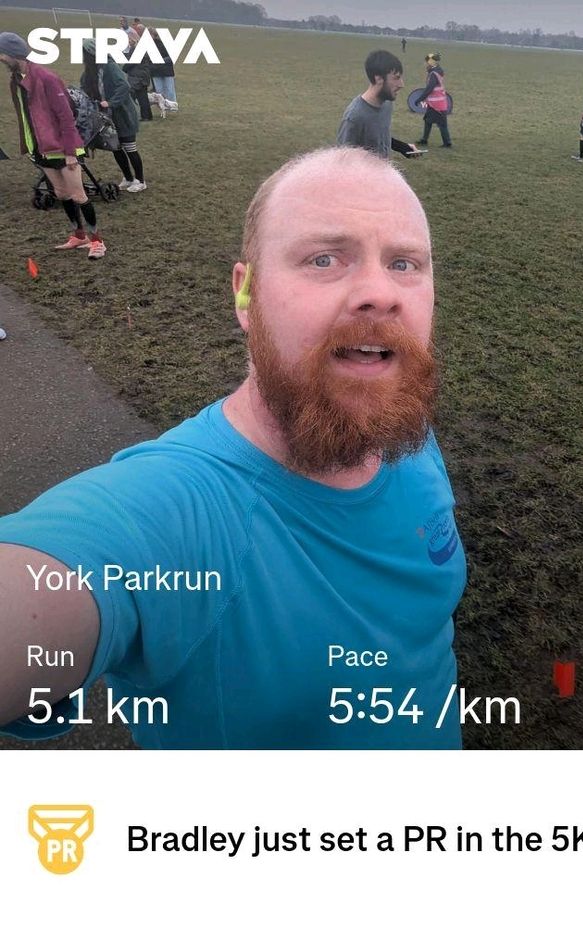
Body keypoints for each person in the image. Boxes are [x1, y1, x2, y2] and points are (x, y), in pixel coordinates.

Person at [0, 147, 467, 750]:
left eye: (405, 263)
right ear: (245, 295)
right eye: (324, 259)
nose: (381, 292)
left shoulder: (401, 421)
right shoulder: (175, 515)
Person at [0, 32, 106, 259]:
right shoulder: (16, 80)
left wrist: (70, 152)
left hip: (63, 147)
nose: (1, 59)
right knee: (61, 193)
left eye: (2, 54)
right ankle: (79, 236)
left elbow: (66, 116)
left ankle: (97, 241)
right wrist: (31, 146)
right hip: (41, 148)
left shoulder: (46, 78)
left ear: (13, 54)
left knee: (78, 195)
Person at [81, 38, 146, 193]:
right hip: (108, 117)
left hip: (123, 115)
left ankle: (140, 180)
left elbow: (124, 86)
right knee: (116, 147)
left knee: (130, 148)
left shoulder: (109, 66)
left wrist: (110, 103)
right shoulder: (91, 70)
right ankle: (128, 178)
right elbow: (84, 86)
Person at [336, 49, 421, 160]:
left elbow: (379, 137)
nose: (401, 84)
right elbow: (343, 159)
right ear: (379, 79)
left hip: (383, 170)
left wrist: (403, 147)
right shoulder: (354, 117)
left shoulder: (387, 104)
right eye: (396, 78)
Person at [414, 52, 451, 148]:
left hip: (437, 104)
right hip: (434, 103)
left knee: (442, 124)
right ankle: (424, 140)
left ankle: (447, 143)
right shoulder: (437, 71)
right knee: (427, 120)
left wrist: (419, 99)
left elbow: (429, 89)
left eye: (427, 62)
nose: (425, 64)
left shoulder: (434, 74)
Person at [148, 27, 177, 106]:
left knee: (169, 90)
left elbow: (170, 57)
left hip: (166, 71)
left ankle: (172, 105)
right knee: (159, 90)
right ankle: (163, 105)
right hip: (155, 71)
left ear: (153, 35)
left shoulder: (162, 44)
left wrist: (160, 60)